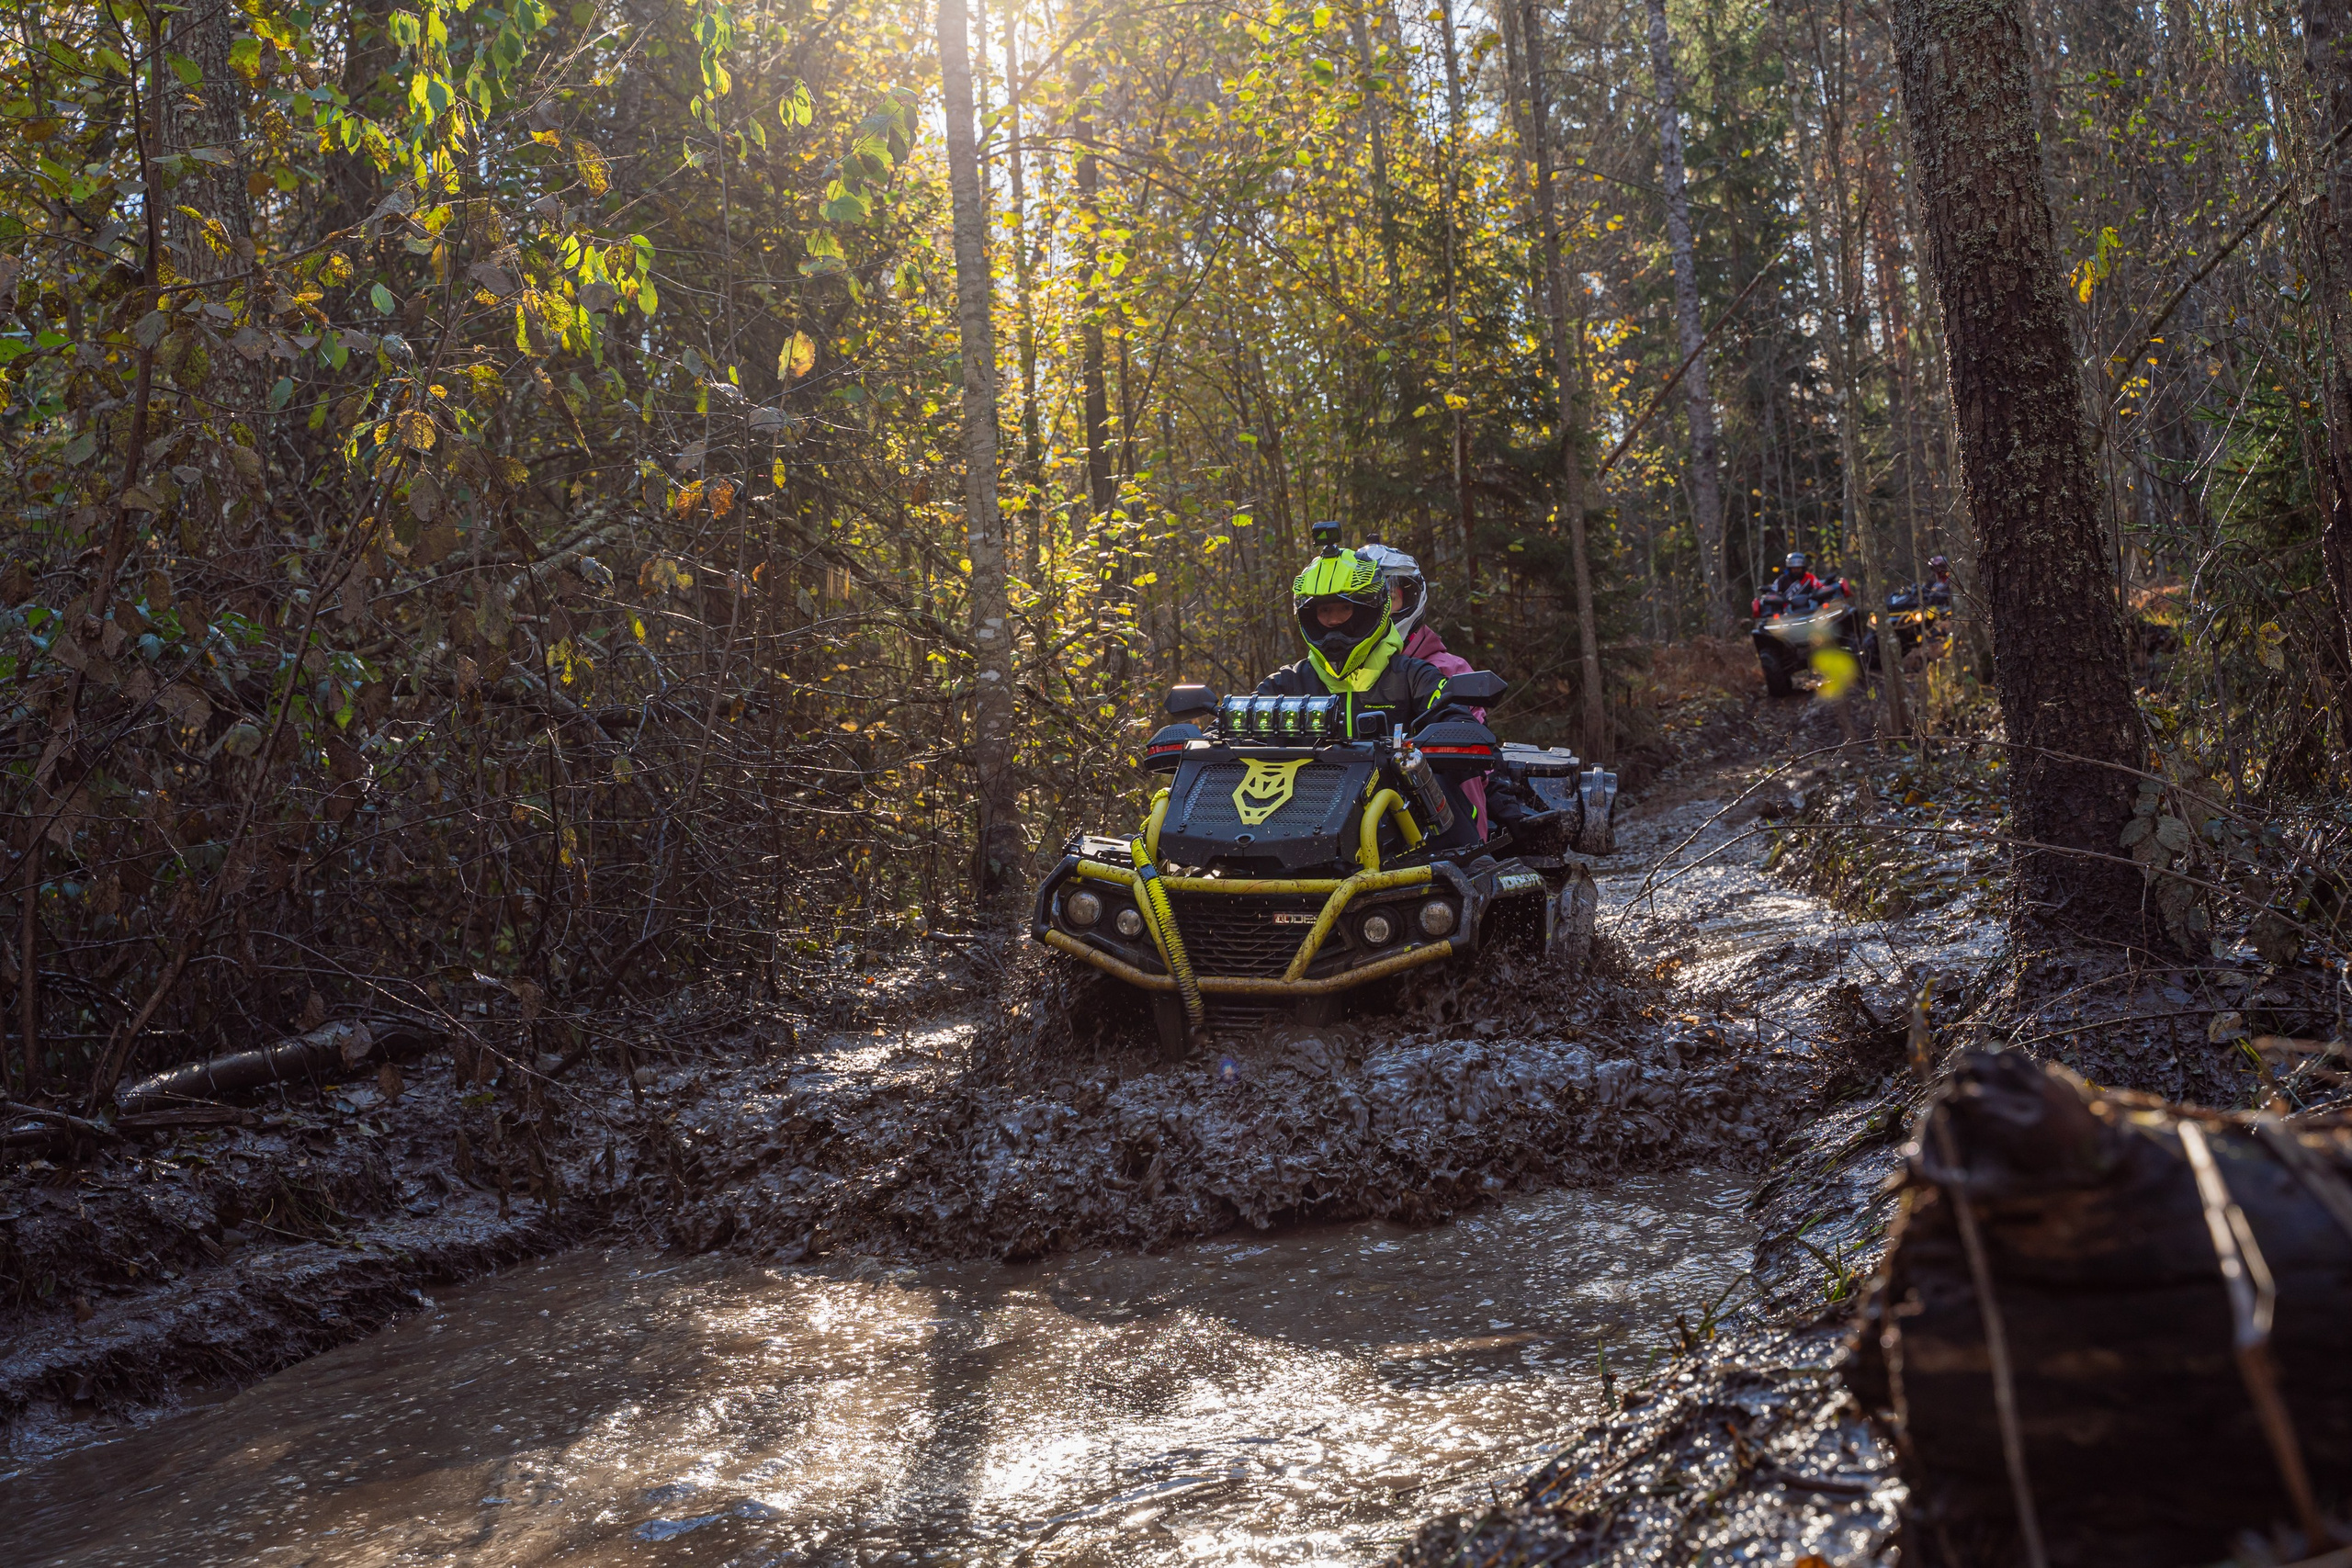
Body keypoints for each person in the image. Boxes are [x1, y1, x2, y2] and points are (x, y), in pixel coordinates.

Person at [1256, 539, 1484, 843]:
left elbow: (1457, 718)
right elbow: (1228, 730)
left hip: (1406, 832)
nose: (1334, 620)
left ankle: (1475, 864)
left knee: (1449, 782)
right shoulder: (1286, 683)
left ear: (1370, 608)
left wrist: (1449, 734)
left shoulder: (1416, 674)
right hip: (1295, 827)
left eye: (1345, 608)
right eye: (1325, 610)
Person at [1358, 541, 1489, 839]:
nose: (1381, 608)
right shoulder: (1340, 674)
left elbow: (1471, 756)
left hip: (1440, 815)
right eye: (1369, 600)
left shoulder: (1447, 668)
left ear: (1412, 597)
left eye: (1389, 596)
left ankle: (1471, 855)